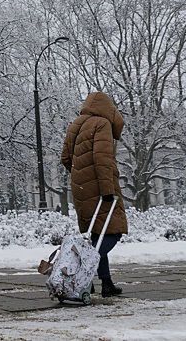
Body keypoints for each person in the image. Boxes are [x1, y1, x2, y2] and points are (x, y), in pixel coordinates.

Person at [61, 91, 129, 298]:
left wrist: (81, 175)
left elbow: (65, 158)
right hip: (100, 187)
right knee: (113, 232)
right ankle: (83, 272)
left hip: (81, 188)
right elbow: (103, 159)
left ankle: (105, 283)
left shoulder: (76, 124)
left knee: (97, 236)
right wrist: (107, 190)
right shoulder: (102, 124)